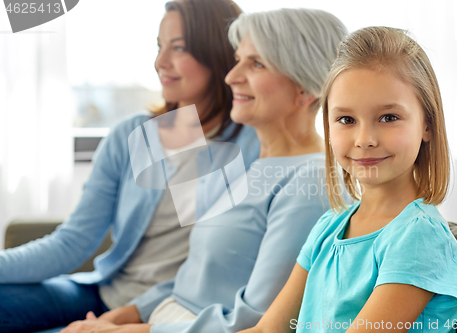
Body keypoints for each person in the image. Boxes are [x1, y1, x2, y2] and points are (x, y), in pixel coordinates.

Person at [58, 8, 348, 333]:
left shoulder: (311, 181)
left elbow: (255, 321)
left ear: (305, 89)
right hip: (164, 317)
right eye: (238, 59)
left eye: (256, 64)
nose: (231, 76)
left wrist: (128, 331)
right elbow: (195, 278)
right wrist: (127, 315)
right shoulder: (258, 166)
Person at [0, 0, 261, 332]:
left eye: (178, 48)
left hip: (174, 310)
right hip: (103, 293)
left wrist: (132, 314)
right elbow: (73, 242)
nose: (160, 62)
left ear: (218, 54)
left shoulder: (254, 146)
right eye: (158, 46)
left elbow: (229, 265)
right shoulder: (130, 135)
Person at [240, 27, 457, 333]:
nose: (365, 139)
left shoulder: (419, 237)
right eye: (346, 120)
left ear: (427, 124)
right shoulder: (328, 227)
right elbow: (267, 330)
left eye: (388, 117)